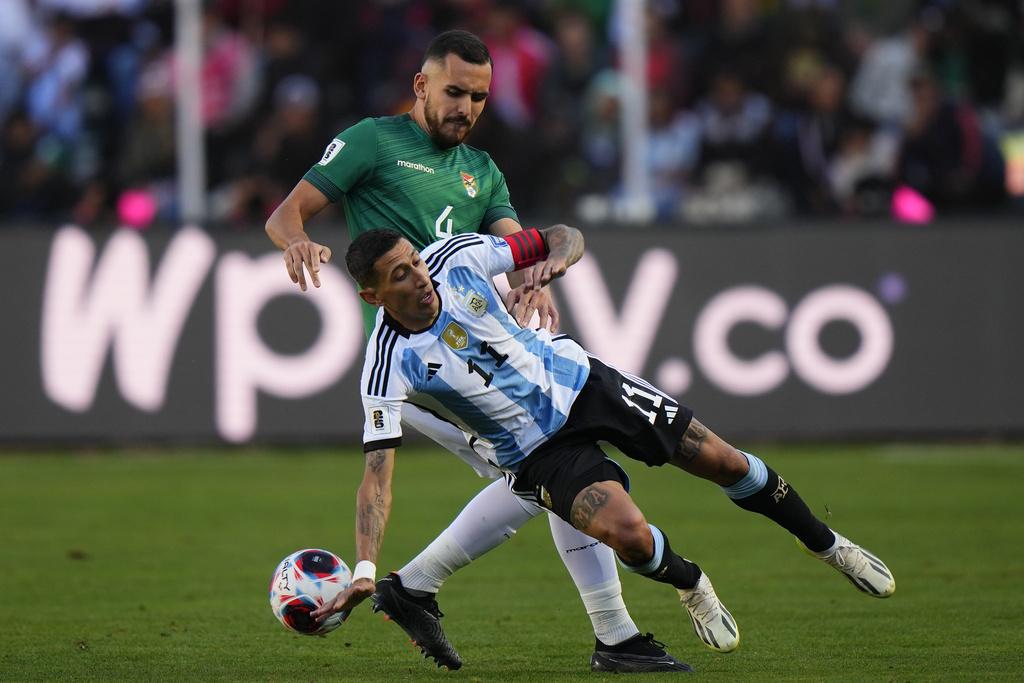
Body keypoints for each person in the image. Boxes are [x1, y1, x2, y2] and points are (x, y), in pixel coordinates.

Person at [265, 30, 687, 673]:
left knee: (549, 468)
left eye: (479, 97)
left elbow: (522, 247)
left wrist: (535, 280)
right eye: (454, 91)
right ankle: (604, 633)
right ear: (421, 85)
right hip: (427, 369)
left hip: (487, 351)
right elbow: (285, 215)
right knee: (548, 466)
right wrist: (296, 241)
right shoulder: (372, 142)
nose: (465, 107)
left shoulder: (482, 171)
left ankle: (424, 591)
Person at [311, 226, 896, 670]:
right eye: (401, 275)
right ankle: (691, 583)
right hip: (538, 453)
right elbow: (376, 477)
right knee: (630, 536)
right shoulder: (386, 366)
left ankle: (829, 545)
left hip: (584, 383)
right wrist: (364, 568)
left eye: (415, 261)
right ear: (373, 296)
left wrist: (558, 259)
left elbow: (562, 235)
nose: (420, 278)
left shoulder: (458, 257)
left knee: (725, 461)